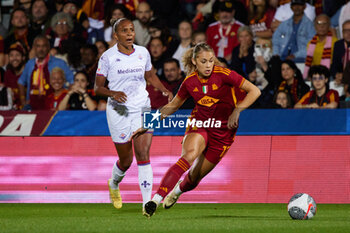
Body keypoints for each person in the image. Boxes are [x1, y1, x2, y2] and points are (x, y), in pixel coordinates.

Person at [143, 42, 261, 217]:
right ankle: (156, 199)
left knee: (194, 179)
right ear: (195, 61)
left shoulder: (225, 75)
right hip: (200, 124)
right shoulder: (189, 82)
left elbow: (255, 91)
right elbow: (173, 105)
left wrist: (237, 110)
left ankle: (178, 191)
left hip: (223, 133)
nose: (208, 65)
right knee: (189, 155)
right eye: (204, 61)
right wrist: (147, 123)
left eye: (211, 61)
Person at [94, 18, 173, 214]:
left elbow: (150, 76)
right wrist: (113, 94)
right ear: (116, 35)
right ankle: (113, 183)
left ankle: (147, 204)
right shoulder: (107, 58)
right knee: (126, 160)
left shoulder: (143, 52)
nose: (129, 33)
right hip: (119, 111)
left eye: (131, 30)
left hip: (142, 107)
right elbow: (98, 88)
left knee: (143, 154)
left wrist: (163, 89)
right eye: (124, 30)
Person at [18, 35, 74, 110]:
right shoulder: (30, 64)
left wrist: (66, 100)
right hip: (32, 105)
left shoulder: (59, 63)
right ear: (34, 48)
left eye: (44, 46)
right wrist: (23, 100)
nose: (41, 49)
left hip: (53, 105)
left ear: (48, 47)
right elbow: (21, 82)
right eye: (38, 46)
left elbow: (72, 81)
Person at [303, 14, 338, 79]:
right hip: (315, 74)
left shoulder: (335, 42)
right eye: (319, 23)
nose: (322, 26)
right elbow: (310, 64)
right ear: (315, 26)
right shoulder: (310, 43)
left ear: (329, 26)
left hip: (330, 74)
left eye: (324, 24)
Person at [4, 43, 27, 110]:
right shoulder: (7, 73)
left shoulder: (29, 73)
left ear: (23, 57)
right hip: (11, 110)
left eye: (17, 55)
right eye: (11, 55)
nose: (14, 58)